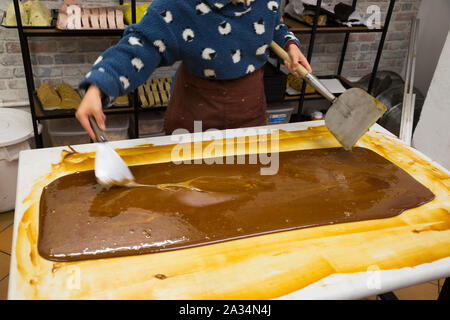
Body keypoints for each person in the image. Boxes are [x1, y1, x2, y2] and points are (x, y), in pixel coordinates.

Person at [76, 0, 312, 139]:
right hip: (194, 113)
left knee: (247, 192)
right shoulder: (180, 5)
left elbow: (273, 24)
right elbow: (141, 44)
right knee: (188, 195)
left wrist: (289, 44)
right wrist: (99, 86)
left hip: (249, 108)